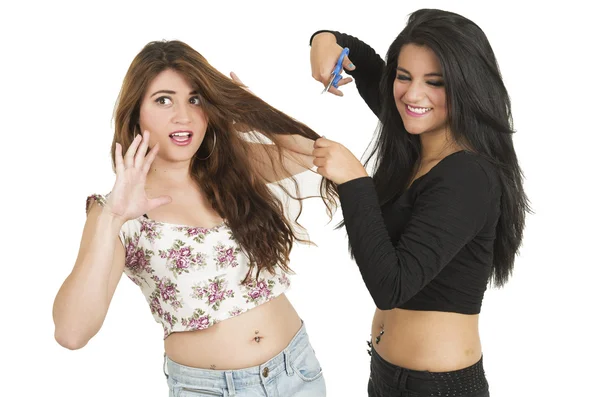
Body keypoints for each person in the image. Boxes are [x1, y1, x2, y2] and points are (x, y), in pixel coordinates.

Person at [52, 39, 334, 396]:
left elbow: (318, 155)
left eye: (195, 99)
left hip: (296, 372)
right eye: (163, 100)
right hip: (212, 389)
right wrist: (112, 218)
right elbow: (71, 333)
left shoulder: (232, 168)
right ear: (136, 112)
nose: (183, 116)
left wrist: (252, 111)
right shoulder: (113, 212)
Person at [308, 8, 530, 397]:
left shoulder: (468, 176)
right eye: (404, 76)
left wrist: (355, 181)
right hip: (386, 375)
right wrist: (323, 39)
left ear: (467, 87)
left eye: (435, 82)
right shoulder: (415, 130)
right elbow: (360, 57)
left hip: (437, 387)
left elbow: (391, 287)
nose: (412, 95)